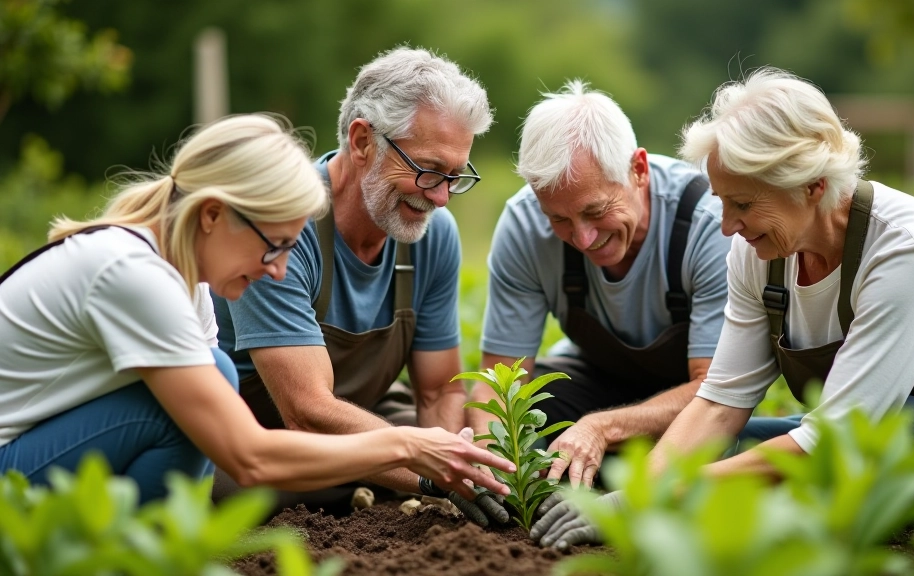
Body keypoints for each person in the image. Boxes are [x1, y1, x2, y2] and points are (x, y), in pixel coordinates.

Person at [530, 67, 914, 549]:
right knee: (710, 455)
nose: (726, 226)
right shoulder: (760, 252)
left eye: (742, 205)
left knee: (861, 446)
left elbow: (835, 442)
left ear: (811, 185)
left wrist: (646, 504)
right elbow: (721, 401)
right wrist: (636, 491)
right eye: (722, 202)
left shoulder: (910, 254)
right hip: (852, 431)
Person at [0, 114, 514, 505]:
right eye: (275, 246)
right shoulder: (130, 274)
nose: (278, 271)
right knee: (178, 418)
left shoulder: (188, 285)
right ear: (212, 215)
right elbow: (247, 456)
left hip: (40, 457)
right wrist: (406, 449)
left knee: (217, 374)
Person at [211, 47, 507, 524]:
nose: (441, 197)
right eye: (429, 170)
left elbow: (437, 393)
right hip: (262, 431)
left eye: (455, 177)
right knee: (246, 492)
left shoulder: (432, 235)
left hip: (365, 421)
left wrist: (458, 473)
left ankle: (366, 481)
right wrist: (435, 477)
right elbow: (305, 411)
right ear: (363, 140)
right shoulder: (284, 225)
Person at [469, 80, 732, 489]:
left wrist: (602, 429)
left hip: (696, 403)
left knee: (707, 462)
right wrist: (488, 465)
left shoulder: (709, 224)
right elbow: (500, 382)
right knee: (537, 415)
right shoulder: (524, 225)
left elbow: (712, 390)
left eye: (596, 211)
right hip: (595, 380)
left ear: (638, 170)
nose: (583, 238)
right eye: (558, 219)